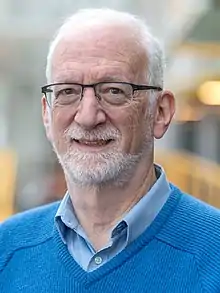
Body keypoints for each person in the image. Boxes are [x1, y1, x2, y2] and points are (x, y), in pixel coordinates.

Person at [1, 8, 220, 293]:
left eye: (114, 90)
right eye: (67, 91)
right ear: (47, 114)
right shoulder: (7, 250)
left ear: (161, 112)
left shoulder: (213, 252)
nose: (88, 116)